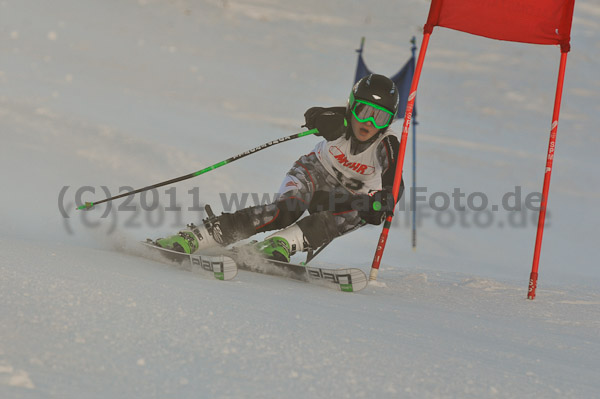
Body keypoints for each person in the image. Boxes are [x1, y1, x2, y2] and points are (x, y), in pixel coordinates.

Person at [156, 74, 404, 262]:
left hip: (347, 199)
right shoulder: (342, 121)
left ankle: (280, 244)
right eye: (363, 111)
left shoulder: (387, 144)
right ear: (352, 106)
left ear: (388, 122)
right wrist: (321, 121)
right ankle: (200, 236)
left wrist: (385, 200)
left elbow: (395, 180)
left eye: (379, 117)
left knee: (352, 213)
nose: (368, 122)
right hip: (314, 173)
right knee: (286, 209)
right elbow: (313, 114)